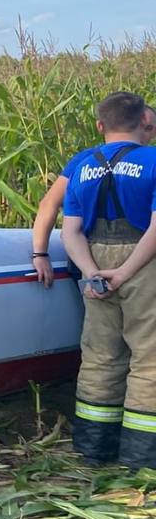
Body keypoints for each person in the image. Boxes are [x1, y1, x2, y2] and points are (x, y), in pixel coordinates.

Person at [60, 91, 156, 469]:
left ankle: (94, 447)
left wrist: (90, 271)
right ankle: (142, 456)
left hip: (94, 262)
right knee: (149, 356)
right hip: (142, 261)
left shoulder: (83, 165)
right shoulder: (153, 160)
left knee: (100, 355)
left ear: (101, 125)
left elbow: (70, 231)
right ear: (143, 123)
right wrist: (127, 270)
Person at [32, 105, 156, 285]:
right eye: (148, 128)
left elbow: (54, 209)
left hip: (91, 264)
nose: (149, 135)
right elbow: (50, 203)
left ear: (101, 126)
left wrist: (40, 253)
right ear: (138, 124)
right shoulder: (150, 159)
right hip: (138, 263)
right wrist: (40, 253)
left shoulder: (86, 161)